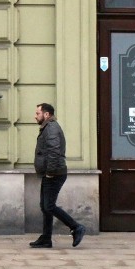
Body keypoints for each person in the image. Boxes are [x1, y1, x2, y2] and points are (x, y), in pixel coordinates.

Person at [29, 102, 85, 249]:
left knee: (49, 206)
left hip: (54, 174)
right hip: (50, 173)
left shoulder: (51, 128)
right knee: (45, 206)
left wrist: (50, 173)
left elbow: (54, 151)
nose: (35, 116)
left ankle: (76, 227)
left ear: (46, 114)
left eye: (38, 113)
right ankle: (46, 238)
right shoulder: (48, 127)